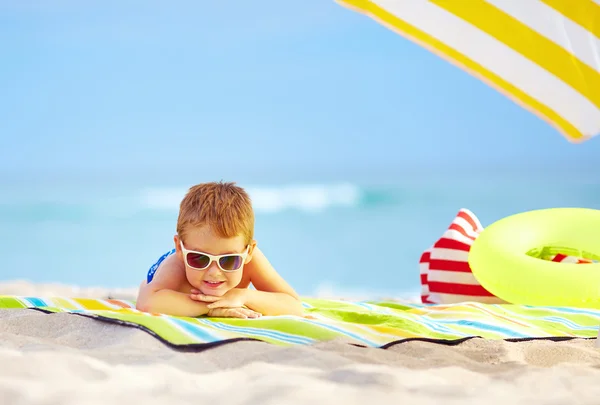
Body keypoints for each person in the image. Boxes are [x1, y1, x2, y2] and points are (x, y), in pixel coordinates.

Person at [136, 181, 303, 319]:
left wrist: (242, 295)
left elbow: (294, 306)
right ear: (180, 248)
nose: (214, 272)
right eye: (200, 258)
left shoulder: (250, 259)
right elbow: (147, 301)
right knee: (146, 286)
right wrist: (211, 308)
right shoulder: (177, 265)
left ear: (248, 252)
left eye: (229, 260)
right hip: (163, 276)